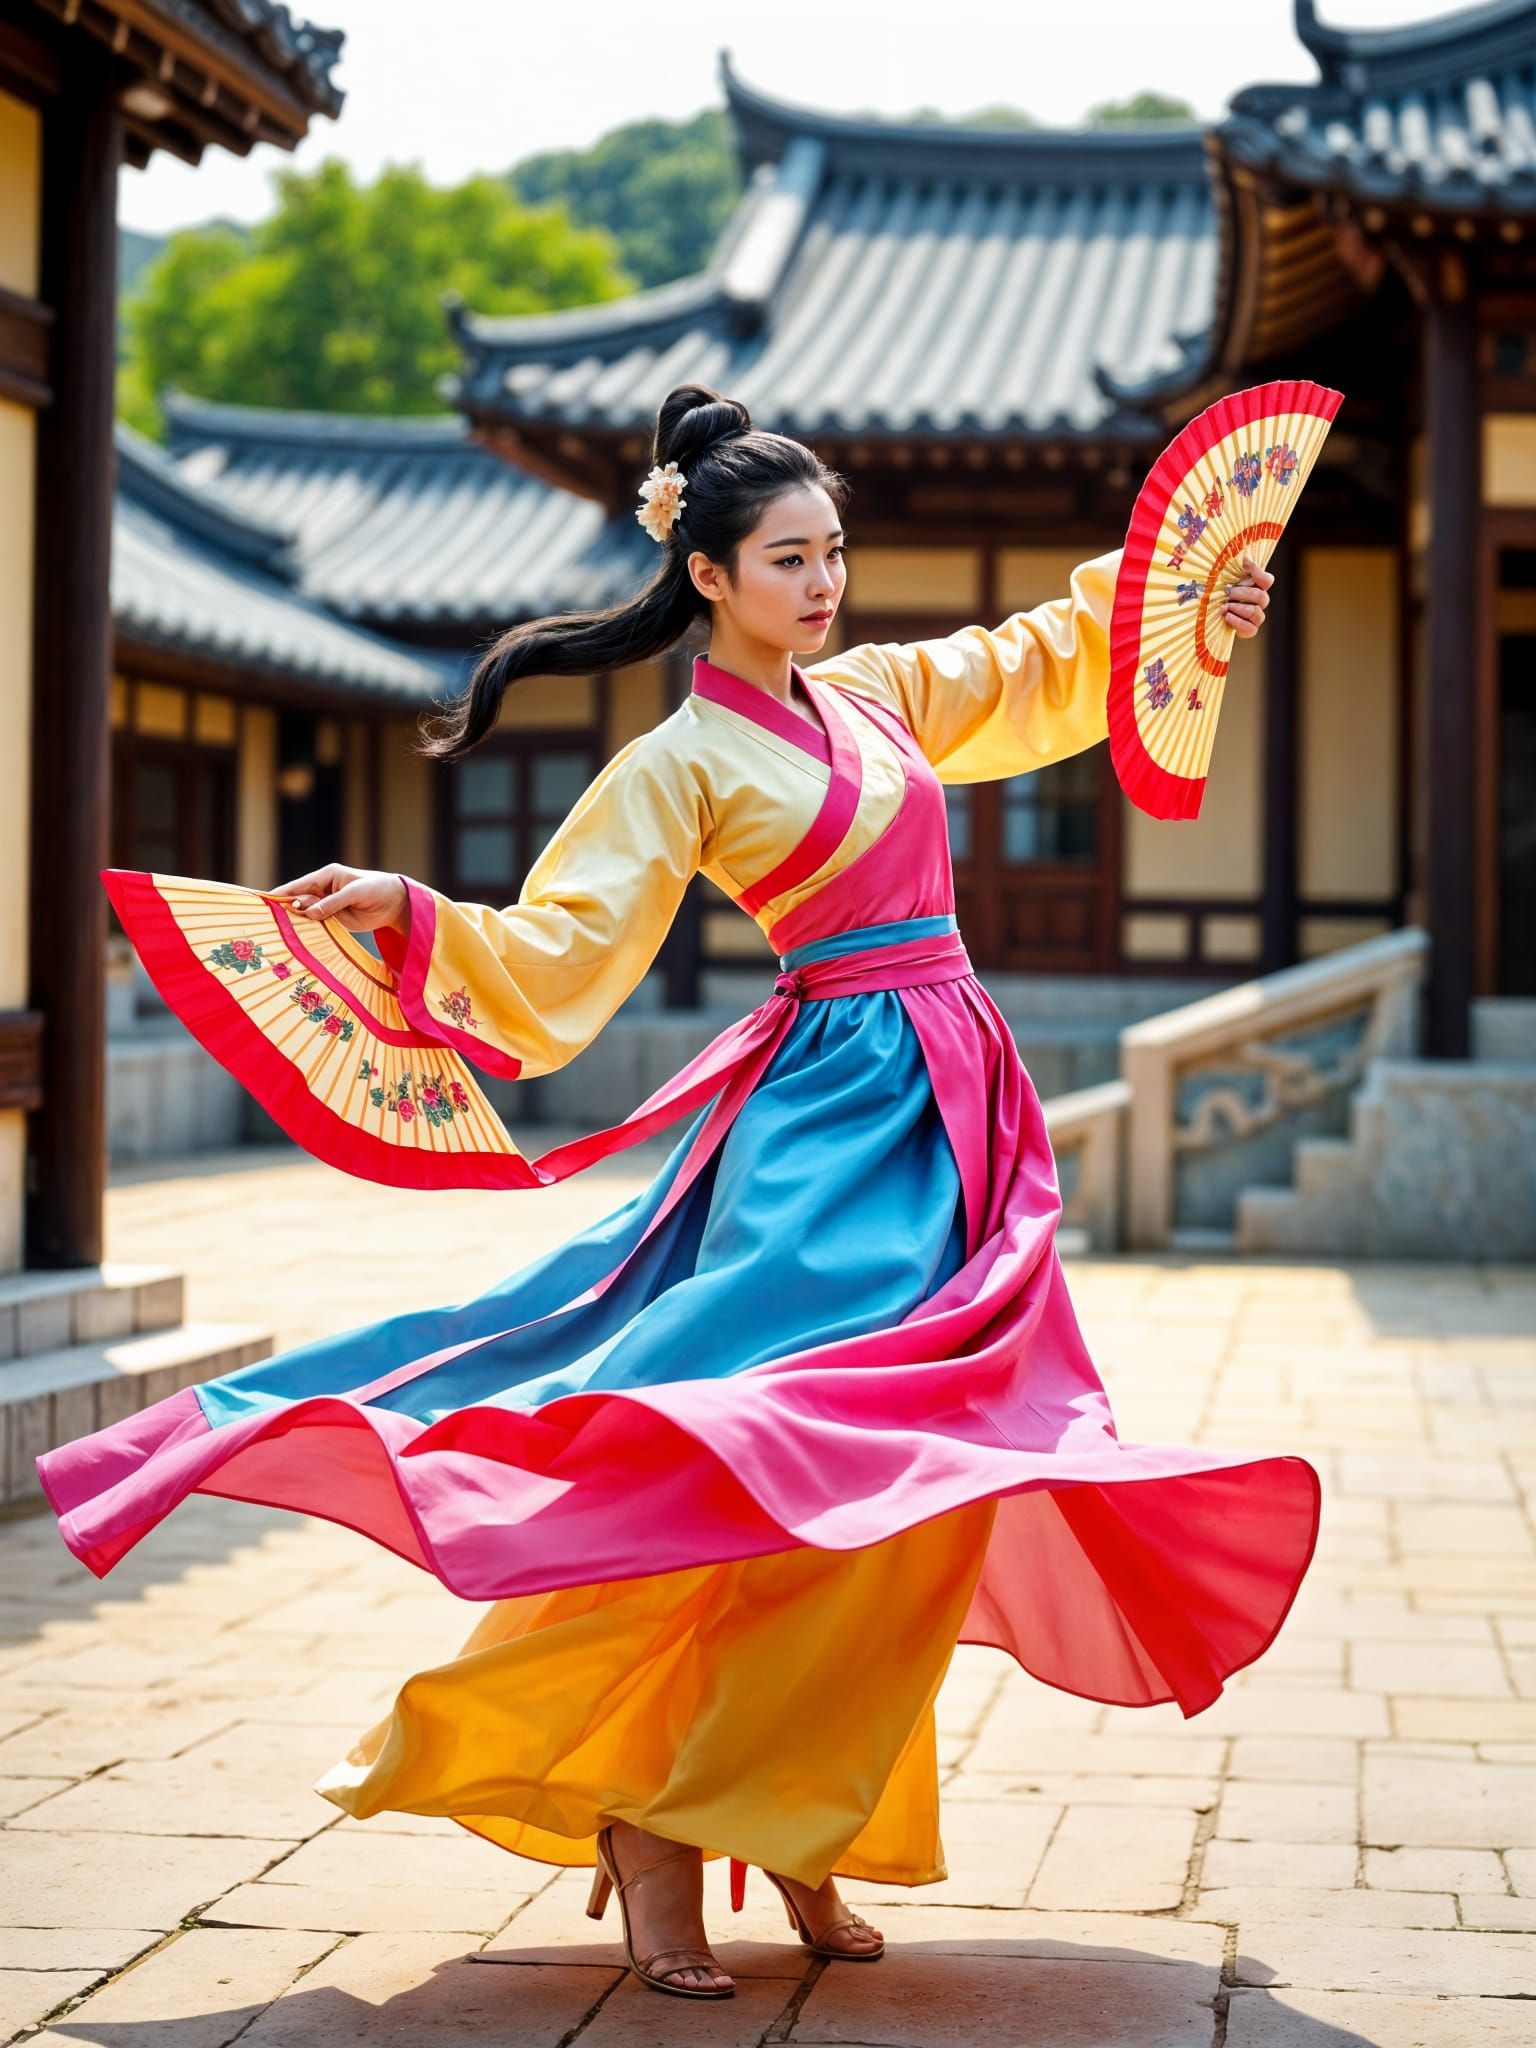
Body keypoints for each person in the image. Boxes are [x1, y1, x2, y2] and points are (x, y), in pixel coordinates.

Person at [39, 382, 1311, 2003]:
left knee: (924, 1503)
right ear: (708, 575)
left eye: (834, 552)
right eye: (790, 558)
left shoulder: (881, 697)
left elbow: (1040, 663)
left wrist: (1184, 605)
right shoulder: (679, 763)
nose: (824, 583)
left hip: (961, 1119)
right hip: (829, 1136)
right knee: (769, 1470)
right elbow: (560, 949)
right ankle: (656, 1828)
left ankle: (788, 1813)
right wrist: (415, 912)